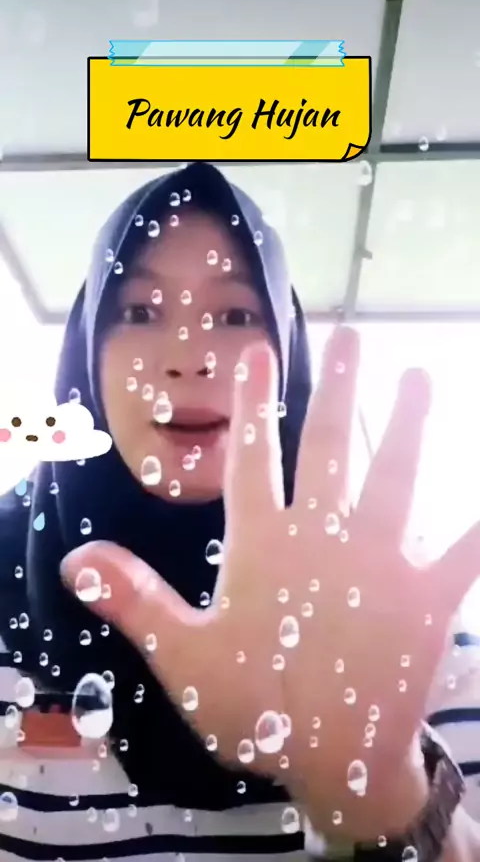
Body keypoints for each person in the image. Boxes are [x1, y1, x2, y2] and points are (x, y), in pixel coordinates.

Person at [0, 161, 478, 861]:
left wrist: (379, 795)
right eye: (139, 312)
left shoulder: (395, 621)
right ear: (86, 357)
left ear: (286, 350)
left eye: (234, 315)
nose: (188, 358)